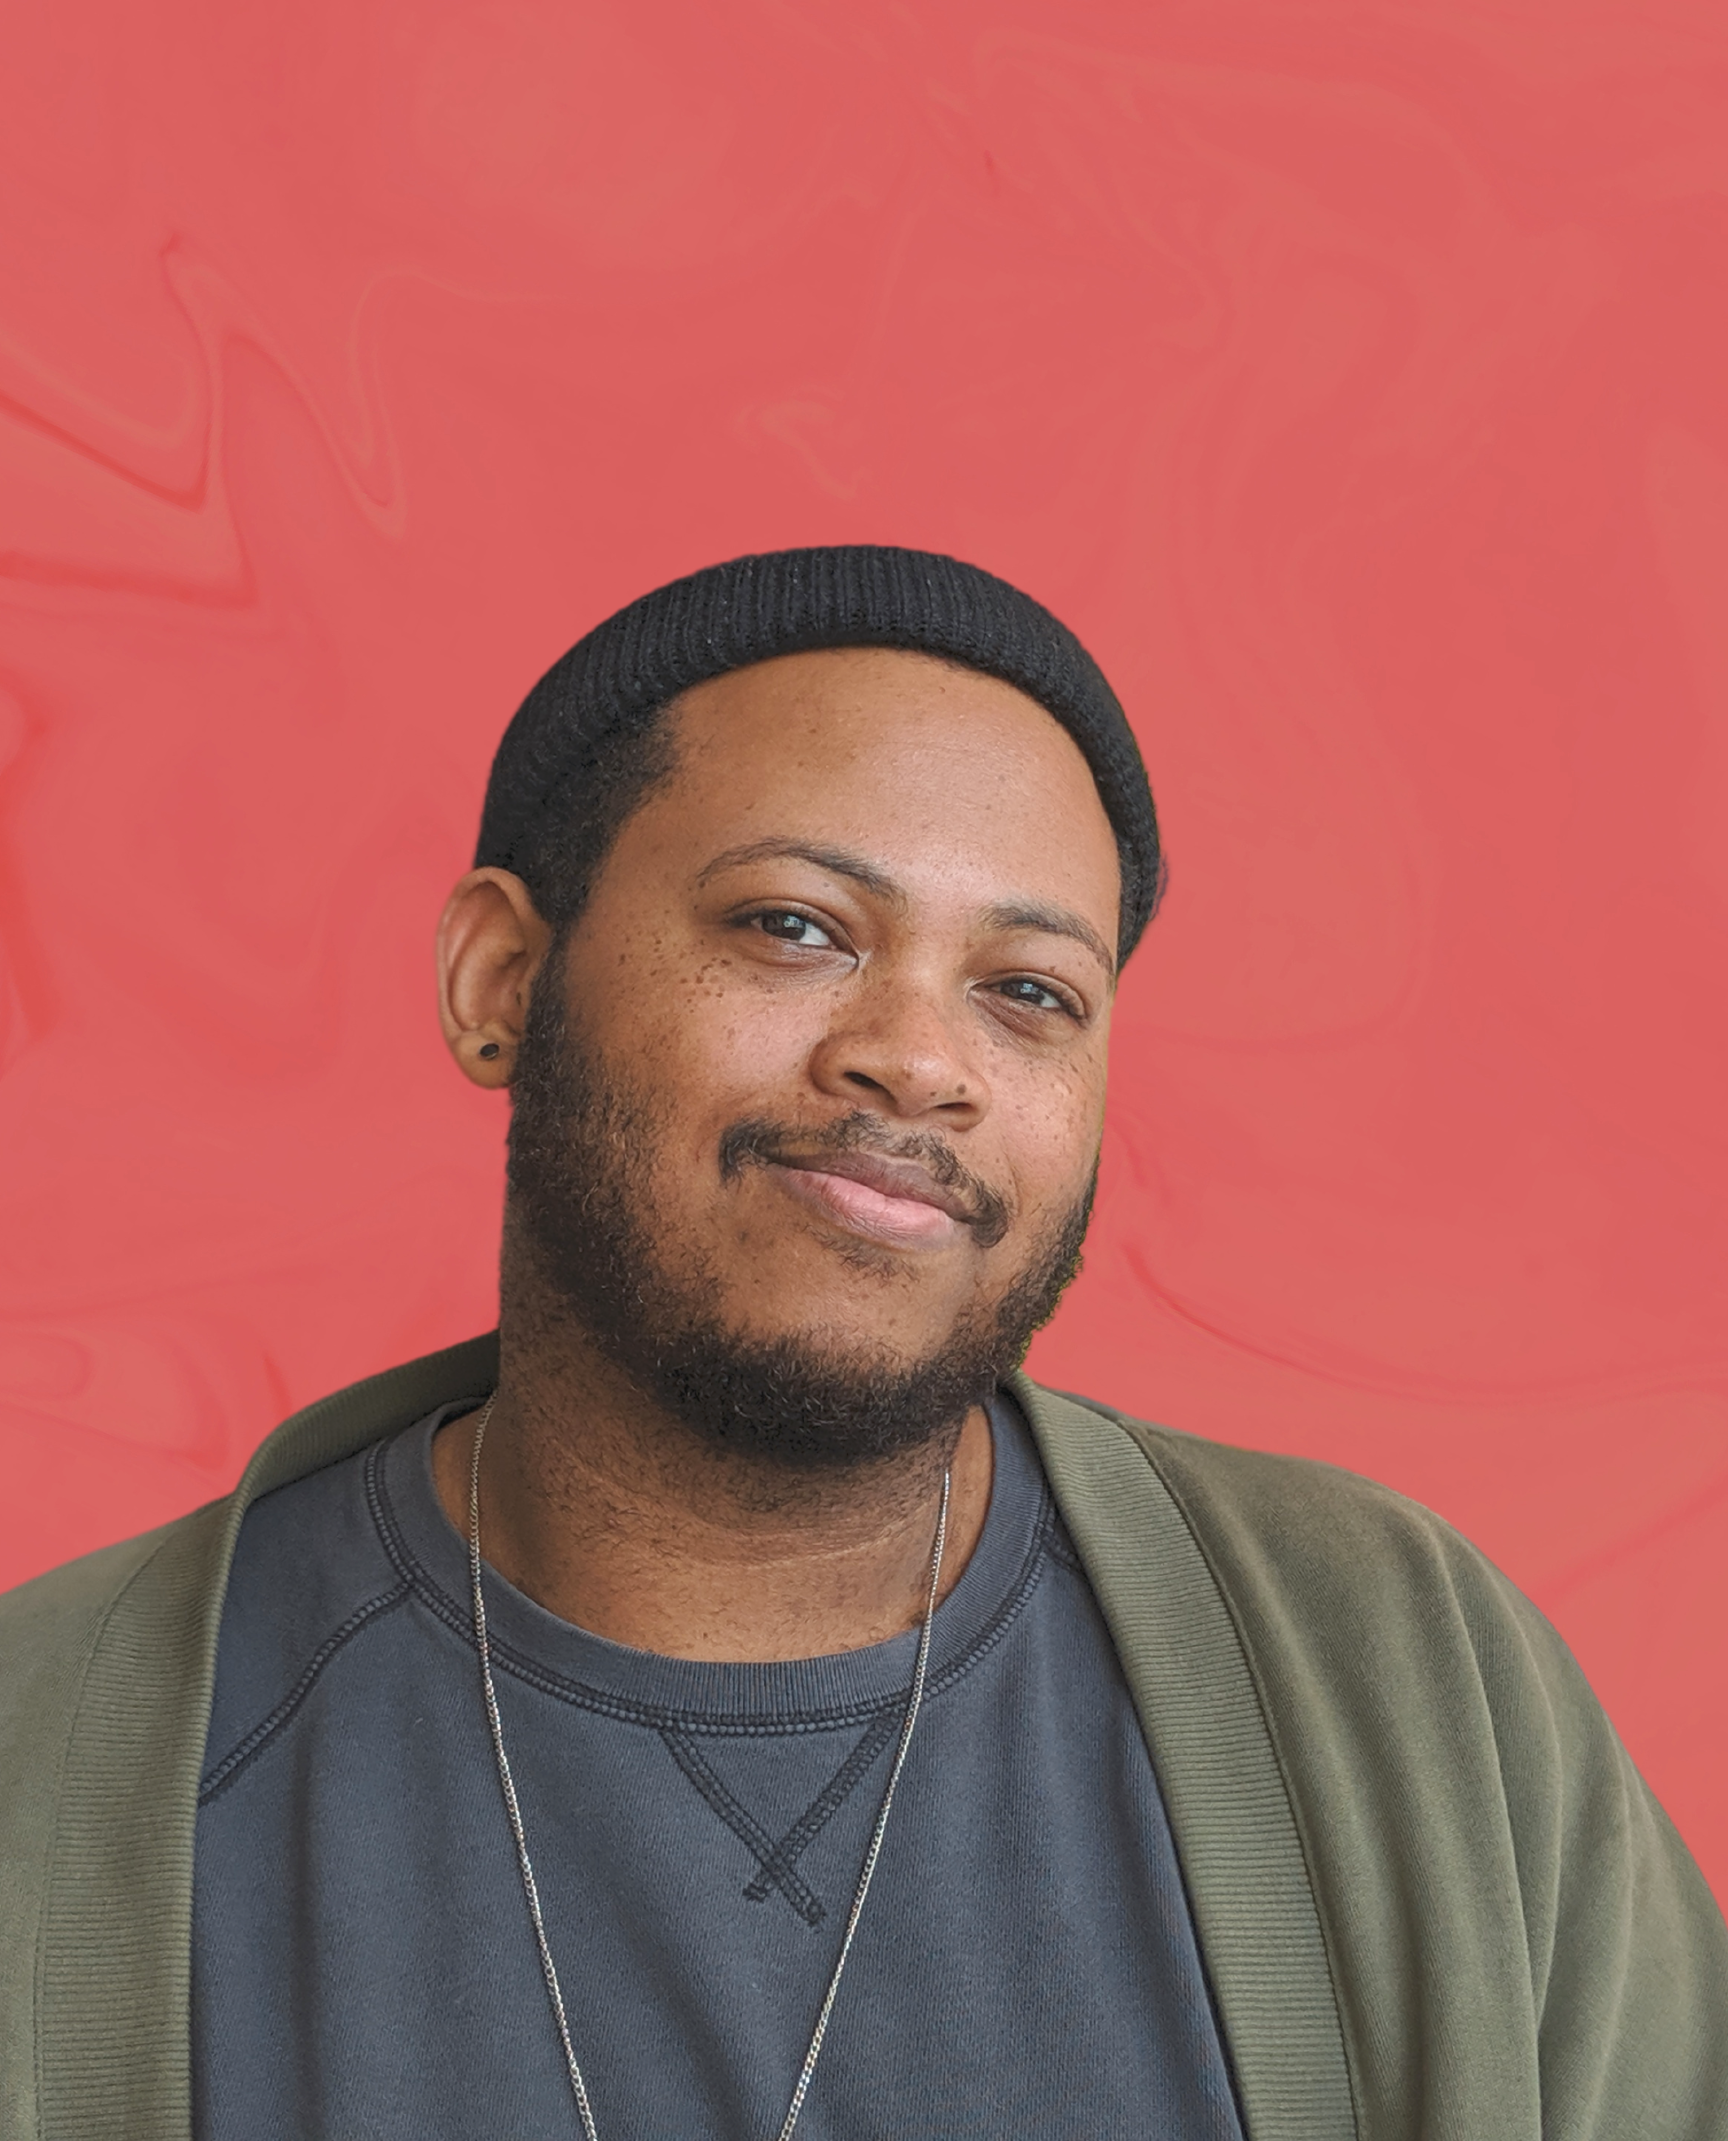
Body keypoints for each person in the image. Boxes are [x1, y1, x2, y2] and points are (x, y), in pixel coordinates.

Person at [1, 546, 1723, 2141]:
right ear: (500, 979)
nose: (920, 1060)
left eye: (1030, 990)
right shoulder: (52, 1762)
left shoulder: (1406, 1682)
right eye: (797, 927)